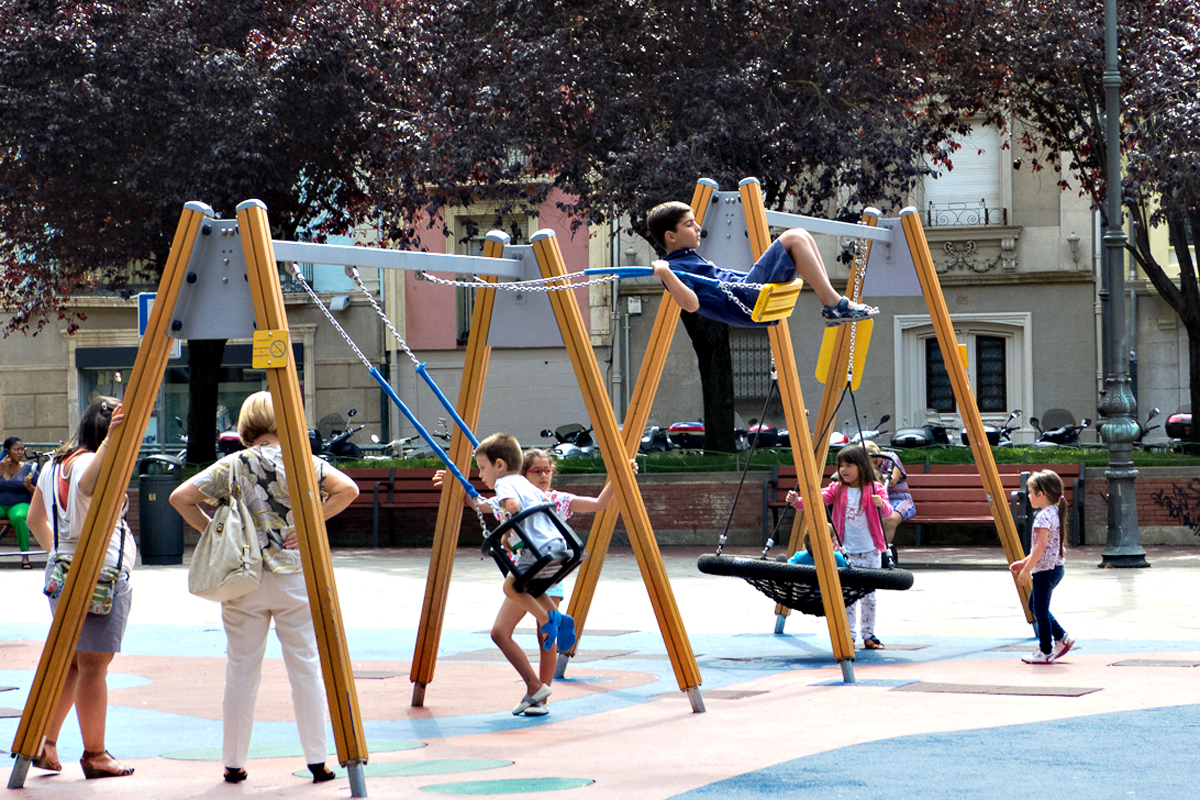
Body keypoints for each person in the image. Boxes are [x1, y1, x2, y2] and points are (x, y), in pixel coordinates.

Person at [169, 391, 359, 784]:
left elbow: (180, 497)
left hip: (244, 577)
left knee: (241, 668)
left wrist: (215, 533)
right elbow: (348, 489)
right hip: (294, 575)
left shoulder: (233, 464)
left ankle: (233, 761)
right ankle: (317, 760)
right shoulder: (303, 462)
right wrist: (309, 524)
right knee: (305, 665)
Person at [25, 398, 136, 778]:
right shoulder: (90, 463)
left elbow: (36, 518)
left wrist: (60, 554)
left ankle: (47, 741)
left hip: (63, 570)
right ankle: (95, 753)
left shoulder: (53, 464)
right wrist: (112, 443)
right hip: (100, 574)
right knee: (93, 664)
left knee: (73, 661)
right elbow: (88, 485)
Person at [472, 433, 577, 716]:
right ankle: (555, 619)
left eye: (482, 468)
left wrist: (506, 533)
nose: (480, 475)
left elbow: (513, 508)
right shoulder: (526, 484)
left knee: (510, 588)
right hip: (559, 546)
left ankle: (549, 619)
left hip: (537, 549)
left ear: (499, 465)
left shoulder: (505, 483)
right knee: (531, 588)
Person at [646, 201, 879, 328]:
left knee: (802, 235)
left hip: (746, 293)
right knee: (794, 237)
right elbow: (691, 304)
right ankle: (833, 304)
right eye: (689, 224)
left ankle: (832, 301)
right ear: (671, 236)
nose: (697, 227)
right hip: (746, 299)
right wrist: (666, 273)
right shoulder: (674, 268)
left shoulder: (688, 258)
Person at [786, 445, 892, 650]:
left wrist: (881, 504)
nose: (843, 469)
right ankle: (848, 636)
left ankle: (869, 635)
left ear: (861, 466)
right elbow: (815, 502)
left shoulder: (875, 488)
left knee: (869, 596)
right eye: (841, 465)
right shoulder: (837, 489)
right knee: (847, 596)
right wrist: (797, 502)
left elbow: (887, 512)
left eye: (848, 465)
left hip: (870, 550)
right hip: (846, 551)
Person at [1009, 470, 1075, 665]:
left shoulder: (1042, 517)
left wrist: (1026, 570)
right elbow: (1045, 547)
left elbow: (1041, 546)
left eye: (1031, 493)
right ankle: (1062, 637)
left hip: (1045, 570)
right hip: (1055, 568)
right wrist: (1024, 562)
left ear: (1041, 495)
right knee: (1035, 606)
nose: (1029, 496)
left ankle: (1046, 650)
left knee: (1040, 610)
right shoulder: (1054, 513)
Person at [864, 440, 914, 563]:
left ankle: (883, 554)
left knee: (888, 518)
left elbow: (892, 480)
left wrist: (870, 475)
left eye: (876, 460)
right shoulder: (860, 462)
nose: (876, 463)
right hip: (875, 498)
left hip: (898, 498)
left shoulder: (891, 458)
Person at [0, 436, 39, 568]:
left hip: (20, 503)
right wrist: (1, 470)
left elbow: (39, 493)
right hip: (1, 505)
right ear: (7, 451)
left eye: (22, 449)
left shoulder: (29, 469)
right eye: (16, 449)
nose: (21, 452)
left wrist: (29, 486)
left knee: (19, 516)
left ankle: (25, 556)